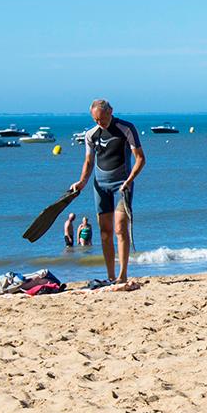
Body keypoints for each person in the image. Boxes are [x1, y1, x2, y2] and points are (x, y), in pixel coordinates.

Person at [68, 99, 145, 284]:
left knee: (120, 228)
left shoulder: (126, 128)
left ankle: (122, 274)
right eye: (96, 120)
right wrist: (82, 182)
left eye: (102, 119)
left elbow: (140, 158)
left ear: (110, 111)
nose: (99, 123)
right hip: (100, 185)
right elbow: (88, 161)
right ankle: (110, 276)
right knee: (105, 232)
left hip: (122, 184)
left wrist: (129, 180)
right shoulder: (91, 134)